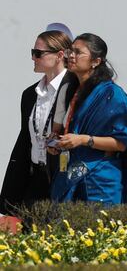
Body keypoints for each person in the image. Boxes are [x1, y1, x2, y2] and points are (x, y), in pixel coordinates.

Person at [50, 33, 127, 207]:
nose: (71, 55)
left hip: (101, 180)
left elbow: (123, 143)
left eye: (78, 52)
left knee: (101, 233)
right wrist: (57, 142)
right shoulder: (71, 89)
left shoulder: (112, 94)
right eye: (70, 51)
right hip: (70, 176)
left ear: (96, 61)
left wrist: (84, 140)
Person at [0, 30, 78, 214]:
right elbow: (27, 140)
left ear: (59, 56)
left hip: (63, 179)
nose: (33, 58)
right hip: (36, 179)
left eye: (38, 53)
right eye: (32, 53)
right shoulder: (30, 94)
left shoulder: (75, 91)